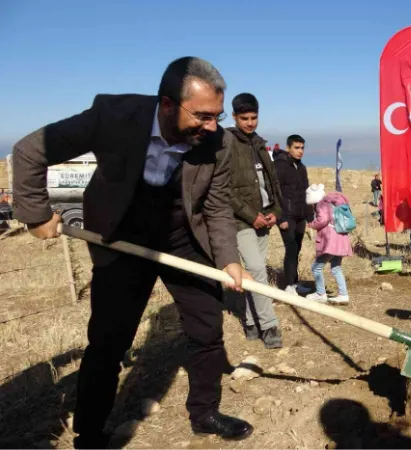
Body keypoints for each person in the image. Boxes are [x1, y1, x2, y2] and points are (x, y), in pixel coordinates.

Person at [12, 57, 255, 447]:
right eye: (203, 116)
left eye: (218, 115)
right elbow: (29, 151)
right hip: (121, 239)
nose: (212, 127)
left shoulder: (218, 143)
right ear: (167, 105)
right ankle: (90, 434)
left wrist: (228, 259)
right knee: (108, 342)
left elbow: (216, 206)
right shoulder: (113, 116)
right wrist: (36, 214)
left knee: (207, 328)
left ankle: (205, 412)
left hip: (182, 240)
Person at [226, 93, 283, 348]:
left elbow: (271, 183)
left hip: (265, 218)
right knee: (259, 271)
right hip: (240, 222)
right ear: (235, 116)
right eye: (244, 118)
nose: (250, 123)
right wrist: (251, 216)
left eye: (254, 118)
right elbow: (223, 188)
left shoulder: (260, 144)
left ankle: (251, 322)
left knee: (253, 274)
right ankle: (269, 326)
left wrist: (276, 211)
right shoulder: (225, 143)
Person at [275, 134, 314, 295]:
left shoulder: (301, 167)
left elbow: (306, 192)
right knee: (290, 248)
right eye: (296, 148)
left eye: (302, 148)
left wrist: (310, 216)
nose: (300, 151)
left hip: (300, 216)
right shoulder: (279, 166)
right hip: (286, 215)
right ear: (288, 148)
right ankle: (288, 286)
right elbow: (274, 193)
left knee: (296, 249)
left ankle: (295, 283)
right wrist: (280, 218)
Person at [305, 184, 353, 305]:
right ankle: (343, 295)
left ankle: (320, 294)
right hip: (341, 239)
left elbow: (323, 219)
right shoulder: (334, 203)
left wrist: (312, 225)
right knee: (336, 267)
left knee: (316, 267)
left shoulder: (322, 204)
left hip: (330, 242)